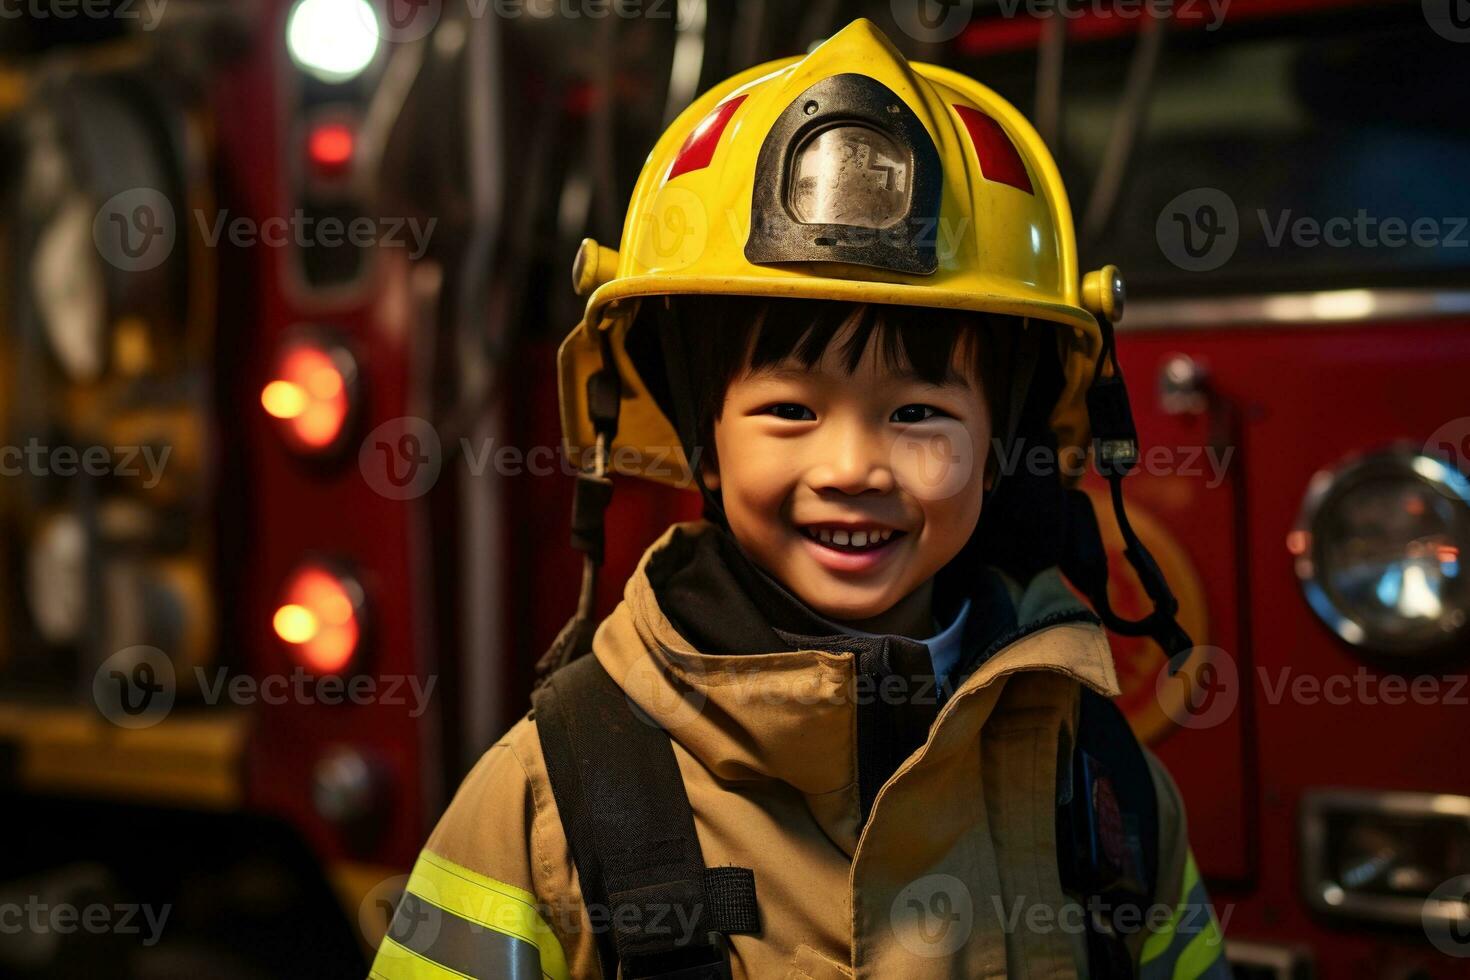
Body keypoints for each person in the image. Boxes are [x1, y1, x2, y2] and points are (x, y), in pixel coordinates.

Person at [370, 18, 1228, 980]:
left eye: (915, 411)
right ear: (703, 440)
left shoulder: (1104, 785)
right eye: (788, 408)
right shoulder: (548, 802)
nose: (853, 466)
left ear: (1005, 447)